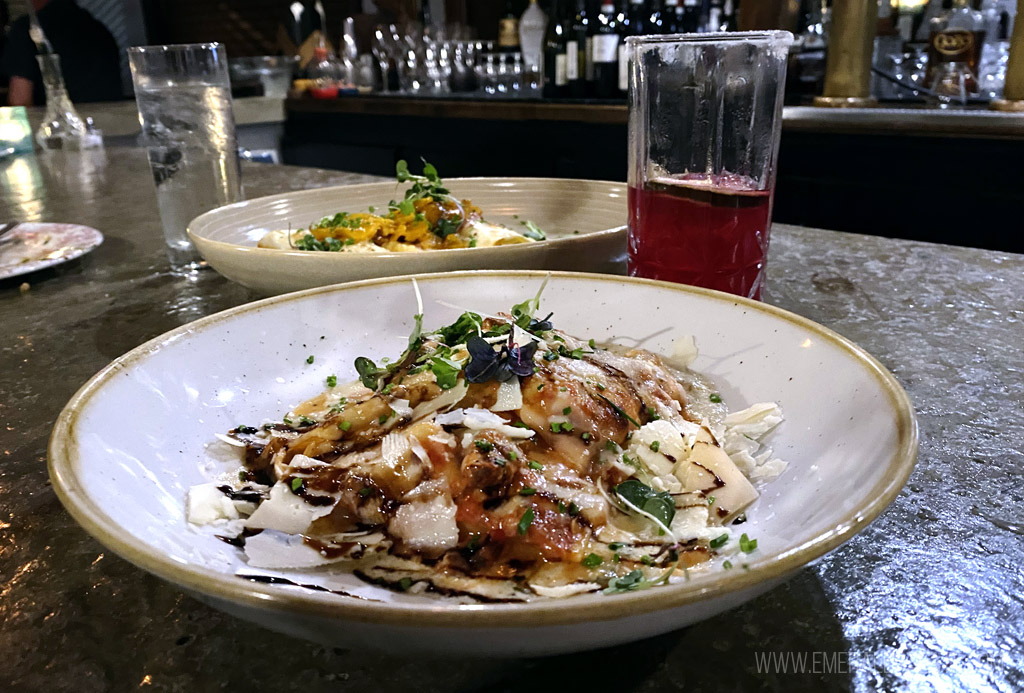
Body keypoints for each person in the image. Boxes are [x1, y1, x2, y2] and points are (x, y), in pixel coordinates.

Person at [1, 0, 121, 106]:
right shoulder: (99, 30)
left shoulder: (28, 30)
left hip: (58, 127)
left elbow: (20, 104)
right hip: (109, 126)